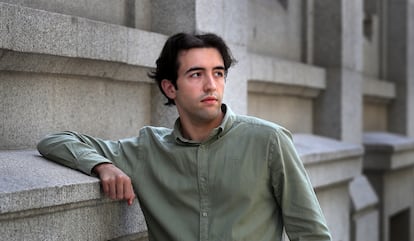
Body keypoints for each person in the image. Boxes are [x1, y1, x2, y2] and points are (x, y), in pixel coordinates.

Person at [37, 32, 332, 241]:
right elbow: (54, 141)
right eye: (196, 75)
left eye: (218, 73)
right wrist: (103, 166)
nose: (210, 85)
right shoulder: (147, 150)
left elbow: (311, 233)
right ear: (169, 88)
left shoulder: (269, 141)